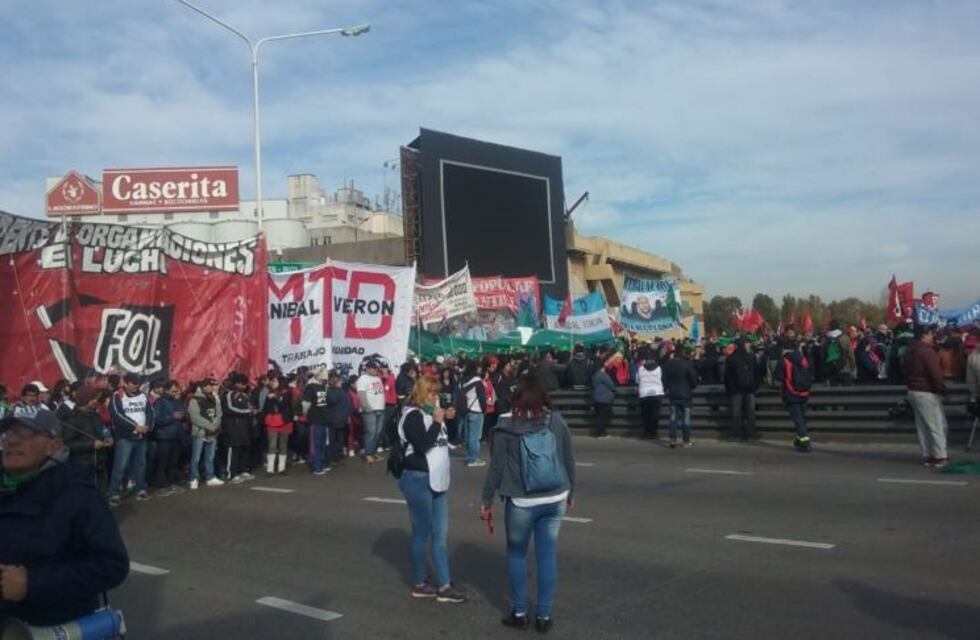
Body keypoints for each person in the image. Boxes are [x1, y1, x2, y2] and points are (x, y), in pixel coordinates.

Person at [0, 411, 129, 626]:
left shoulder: (76, 493)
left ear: (55, 445)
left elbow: (111, 565)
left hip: (48, 626)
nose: (12, 440)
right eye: (8, 434)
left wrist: (33, 583)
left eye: (26, 433)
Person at [481, 374, 576, 634]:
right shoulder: (555, 420)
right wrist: (571, 492)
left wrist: (486, 500)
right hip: (555, 496)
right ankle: (544, 615)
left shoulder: (505, 427)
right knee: (547, 556)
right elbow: (568, 458)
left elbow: (496, 469)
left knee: (517, 554)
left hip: (522, 501)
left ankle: (520, 612)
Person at [395, 376, 466, 604]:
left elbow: (447, 440)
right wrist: (437, 421)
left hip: (439, 479)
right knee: (421, 533)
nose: (435, 398)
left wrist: (450, 418)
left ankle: (445, 584)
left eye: (437, 394)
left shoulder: (433, 413)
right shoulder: (412, 416)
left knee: (440, 535)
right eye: (431, 394)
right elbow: (423, 444)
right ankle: (420, 582)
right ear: (420, 395)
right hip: (418, 478)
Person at [904, 325, 949, 468]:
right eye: (930, 334)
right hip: (927, 391)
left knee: (922, 426)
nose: (932, 336)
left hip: (913, 390)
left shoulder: (909, 351)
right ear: (924, 335)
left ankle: (928, 455)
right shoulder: (926, 351)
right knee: (937, 425)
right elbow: (935, 373)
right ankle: (940, 456)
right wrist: (941, 389)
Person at [107, 372, 155, 506]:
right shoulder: (117, 396)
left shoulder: (143, 395)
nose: (135, 387)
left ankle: (140, 489)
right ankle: (115, 492)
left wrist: (147, 426)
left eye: (137, 385)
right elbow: (117, 415)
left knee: (141, 464)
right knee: (120, 466)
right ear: (125, 383)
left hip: (142, 436)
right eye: (133, 385)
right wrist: (135, 426)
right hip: (125, 437)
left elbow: (150, 412)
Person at [63, 386, 113, 491]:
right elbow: (67, 443)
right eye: (92, 399)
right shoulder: (72, 419)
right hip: (82, 465)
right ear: (84, 400)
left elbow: (103, 430)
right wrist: (91, 445)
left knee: (102, 494)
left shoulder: (95, 415)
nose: (95, 401)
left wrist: (108, 437)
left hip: (100, 462)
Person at [777, 338, 813, 452]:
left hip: (791, 393)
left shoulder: (784, 360)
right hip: (804, 392)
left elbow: (777, 376)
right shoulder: (802, 358)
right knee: (802, 417)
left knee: (797, 419)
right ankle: (799, 439)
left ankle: (805, 443)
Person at [152, 380, 187, 496]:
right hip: (164, 436)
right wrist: (172, 417)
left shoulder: (177, 401)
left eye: (177, 390)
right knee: (163, 462)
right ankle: (161, 485)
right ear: (166, 390)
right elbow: (156, 420)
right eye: (173, 390)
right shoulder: (159, 402)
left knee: (173, 462)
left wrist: (183, 415)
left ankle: (171, 483)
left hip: (176, 436)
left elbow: (182, 413)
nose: (175, 392)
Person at [188, 378, 223, 490]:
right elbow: (195, 417)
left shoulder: (214, 398)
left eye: (212, 385)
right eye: (208, 385)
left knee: (210, 456)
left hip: (213, 433)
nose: (211, 387)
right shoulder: (194, 399)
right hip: (200, 432)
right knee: (196, 458)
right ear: (203, 387)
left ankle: (210, 477)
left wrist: (214, 426)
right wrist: (210, 426)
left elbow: (219, 413)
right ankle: (194, 478)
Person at [661, 346, 698, 447]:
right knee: (686, 418)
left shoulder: (668, 365)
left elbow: (664, 380)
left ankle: (672, 439)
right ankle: (686, 440)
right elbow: (694, 379)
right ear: (683, 353)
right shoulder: (687, 364)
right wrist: (692, 386)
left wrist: (666, 388)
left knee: (673, 417)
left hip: (673, 394)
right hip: (686, 394)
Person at [222, 373, 255, 484]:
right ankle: (231, 473)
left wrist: (252, 411)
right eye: (242, 384)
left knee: (243, 449)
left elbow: (249, 407)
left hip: (244, 427)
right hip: (232, 427)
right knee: (234, 450)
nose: (244, 386)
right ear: (236, 383)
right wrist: (247, 412)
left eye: (245, 384)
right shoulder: (229, 394)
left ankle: (242, 470)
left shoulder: (245, 396)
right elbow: (229, 409)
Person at [724, 338, 760, 441]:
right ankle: (751, 434)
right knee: (750, 412)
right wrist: (755, 386)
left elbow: (727, 376)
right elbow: (757, 373)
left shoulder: (731, 358)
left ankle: (736, 434)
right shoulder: (751, 357)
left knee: (736, 412)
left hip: (736, 390)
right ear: (744, 345)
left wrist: (730, 388)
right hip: (750, 389)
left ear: (735, 346)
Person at [303, 369, 333, 476]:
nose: (326, 375)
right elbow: (306, 403)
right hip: (315, 419)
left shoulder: (324, 386)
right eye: (324, 372)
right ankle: (316, 467)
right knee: (315, 443)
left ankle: (322, 463)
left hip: (324, 419)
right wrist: (306, 413)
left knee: (323, 443)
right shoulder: (310, 387)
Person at [356, 361, 387, 463]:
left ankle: (373, 452)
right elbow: (361, 394)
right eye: (373, 369)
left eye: (376, 369)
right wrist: (366, 406)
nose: (375, 371)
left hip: (380, 408)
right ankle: (368, 453)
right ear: (368, 368)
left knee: (377, 432)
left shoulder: (377, 378)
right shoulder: (362, 379)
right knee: (371, 432)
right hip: (370, 410)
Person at [458, 361, 488, 467]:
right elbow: (482, 397)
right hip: (476, 410)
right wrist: (484, 408)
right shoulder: (477, 381)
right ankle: (473, 459)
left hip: (466, 410)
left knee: (468, 436)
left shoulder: (463, 380)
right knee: (475, 437)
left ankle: (469, 455)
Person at [262, 378, 293, 477]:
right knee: (272, 445)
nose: (272, 382)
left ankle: (281, 468)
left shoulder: (286, 393)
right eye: (271, 380)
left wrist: (275, 398)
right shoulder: (268, 394)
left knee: (283, 445)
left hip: (285, 421)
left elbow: (285, 405)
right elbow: (265, 408)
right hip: (272, 422)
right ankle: (270, 469)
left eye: (274, 381)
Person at [636, 349, 664, 439]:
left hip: (644, 393)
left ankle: (646, 432)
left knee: (645, 414)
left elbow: (637, 380)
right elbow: (662, 378)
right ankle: (654, 432)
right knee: (655, 414)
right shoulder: (659, 368)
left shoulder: (641, 369)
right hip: (657, 392)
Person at [590, 356, 617, 438]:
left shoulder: (594, 376)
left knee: (600, 415)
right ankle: (601, 432)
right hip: (604, 399)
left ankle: (600, 432)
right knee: (606, 416)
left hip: (596, 398)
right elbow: (611, 385)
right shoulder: (603, 375)